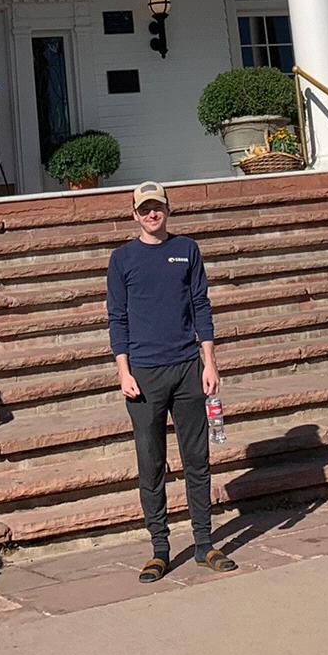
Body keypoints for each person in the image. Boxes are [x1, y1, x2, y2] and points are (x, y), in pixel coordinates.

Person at [106, 181, 237, 583]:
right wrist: (123, 371)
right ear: (134, 214)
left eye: (157, 207)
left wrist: (209, 363)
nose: (151, 214)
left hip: (186, 368)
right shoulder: (122, 258)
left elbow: (201, 306)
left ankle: (203, 544)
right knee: (151, 464)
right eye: (144, 209)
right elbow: (117, 316)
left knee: (197, 459)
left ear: (168, 209)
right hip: (143, 375)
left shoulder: (187, 250)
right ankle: (159, 549)